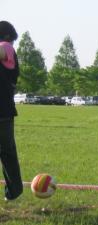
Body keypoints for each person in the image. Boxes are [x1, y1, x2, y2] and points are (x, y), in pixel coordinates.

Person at [0, 21, 23, 200]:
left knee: (7, 153)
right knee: (7, 153)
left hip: (3, 112)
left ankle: (14, 192)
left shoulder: (6, 47)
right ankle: (14, 192)